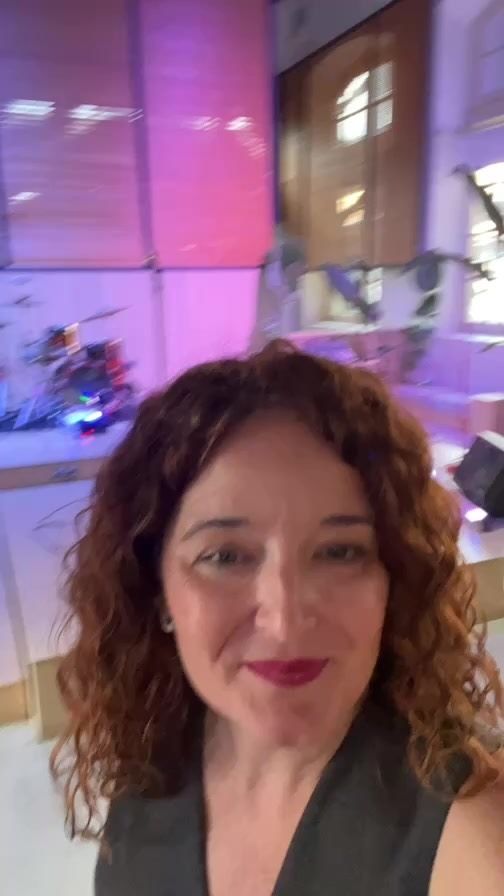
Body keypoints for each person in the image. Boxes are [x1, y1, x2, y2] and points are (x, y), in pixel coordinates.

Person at [50, 341, 504, 896]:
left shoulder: (473, 828)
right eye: (225, 557)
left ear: (394, 580)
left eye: (340, 552)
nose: (285, 624)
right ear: (159, 591)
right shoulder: (153, 758)